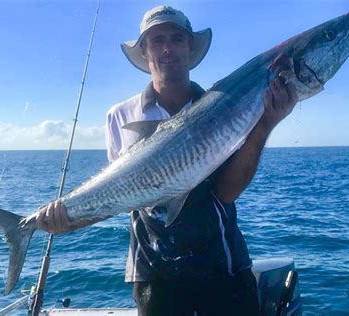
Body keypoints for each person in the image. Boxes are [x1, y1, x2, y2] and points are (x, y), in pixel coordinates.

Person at [36, 5, 298, 316]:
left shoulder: (223, 106)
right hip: (155, 275)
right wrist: (69, 221)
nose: (167, 48)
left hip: (223, 265)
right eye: (157, 40)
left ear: (189, 48)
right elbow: (119, 195)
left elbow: (226, 193)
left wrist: (265, 124)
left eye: (176, 38)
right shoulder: (120, 117)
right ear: (145, 51)